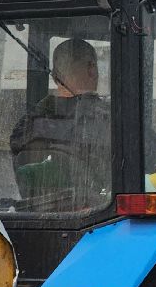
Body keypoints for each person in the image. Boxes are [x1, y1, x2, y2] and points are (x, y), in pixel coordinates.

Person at [9, 38, 111, 205]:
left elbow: (26, 182)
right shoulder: (111, 121)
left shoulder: (27, 125)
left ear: (55, 77)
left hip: (36, 219)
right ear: (92, 68)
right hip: (102, 221)